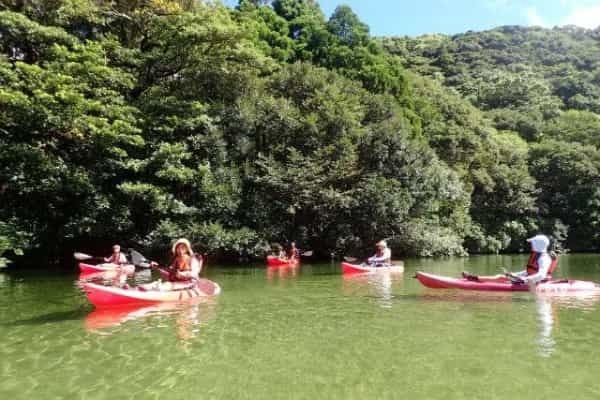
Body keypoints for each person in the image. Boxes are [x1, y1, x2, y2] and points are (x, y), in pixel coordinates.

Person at [463, 234, 558, 284]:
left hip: (537, 282)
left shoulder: (544, 258)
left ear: (538, 244)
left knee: (500, 278)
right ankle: (474, 278)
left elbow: (541, 275)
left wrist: (524, 280)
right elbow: (529, 271)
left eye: (533, 243)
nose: (531, 245)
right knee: (502, 277)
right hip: (530, 279)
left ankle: (473, 279)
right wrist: (513, 275)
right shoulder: (538, 255)